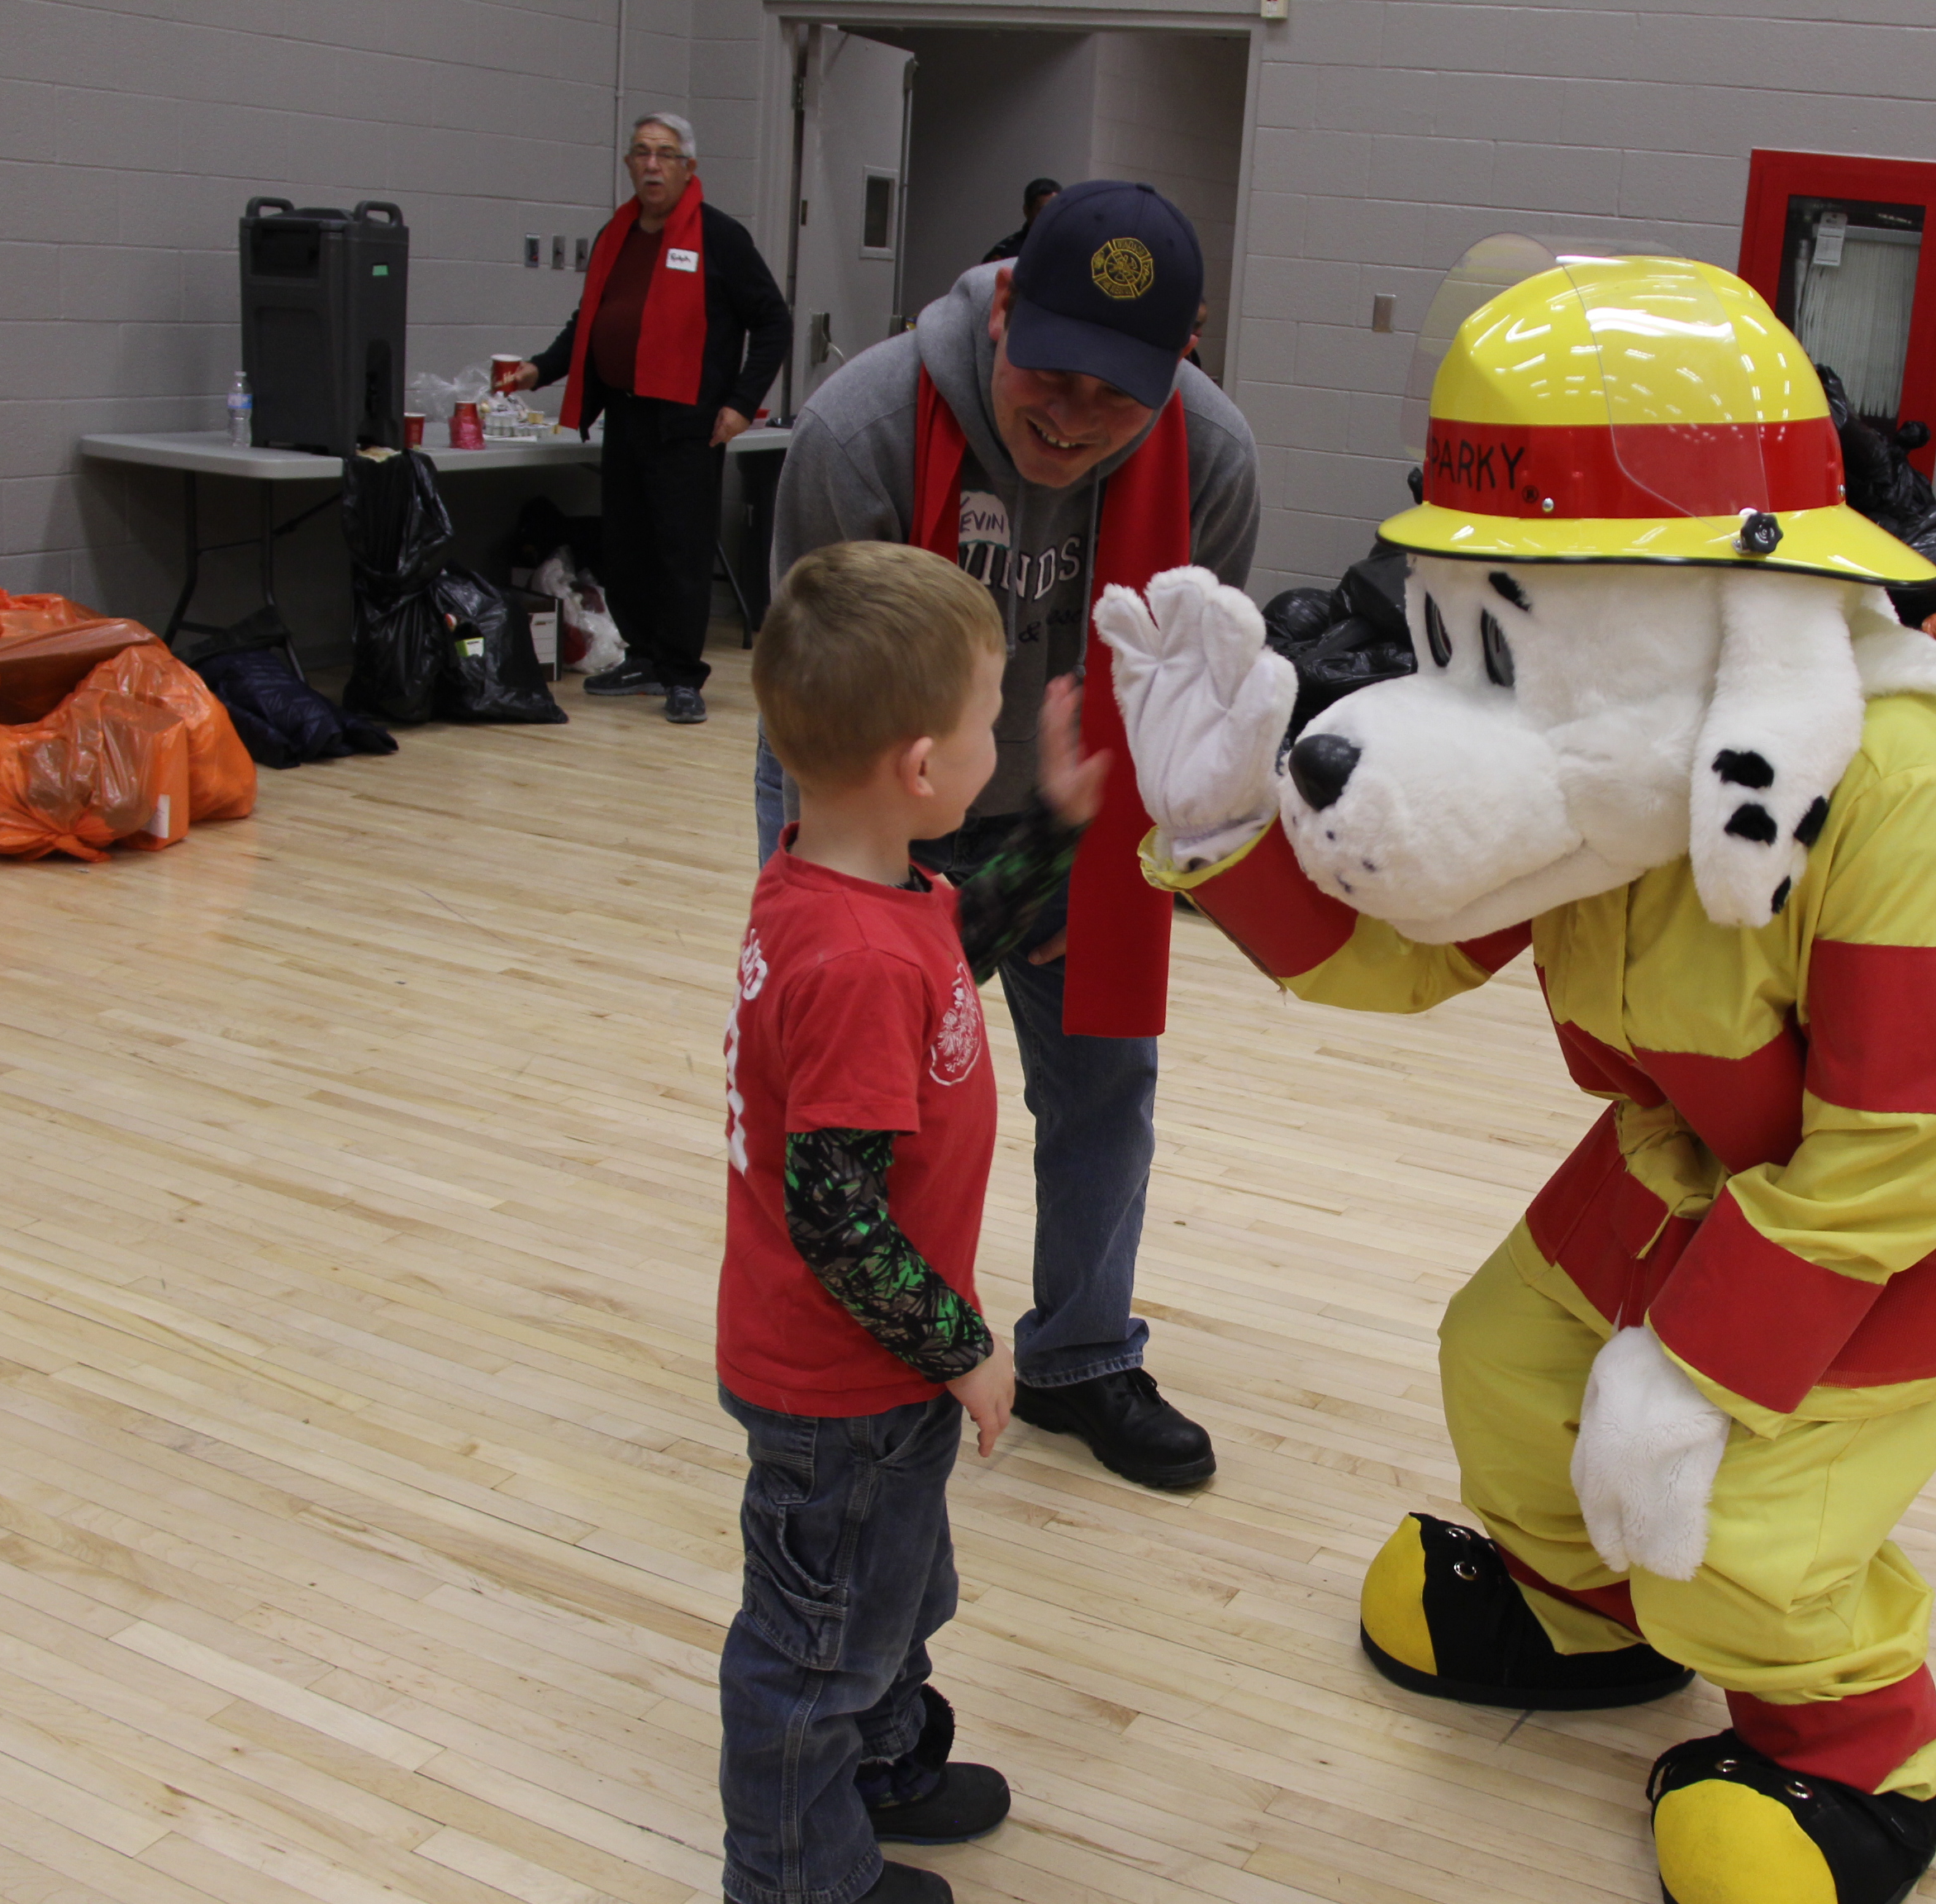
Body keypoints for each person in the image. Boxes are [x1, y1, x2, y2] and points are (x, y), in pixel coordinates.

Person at [761, 179, 1258, 1488]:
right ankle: (843, 1364)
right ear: (1001, 315)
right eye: (1053, 374)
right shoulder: (862, 426)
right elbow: (812, 690)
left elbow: (1193, 692)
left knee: (1105, 1082)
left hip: (1079, 802)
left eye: (1116, 397)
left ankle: (1081, 1356)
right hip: (880, 796)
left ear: (1181, 359)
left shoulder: (1212, 459)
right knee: (868, 1101)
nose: (1072, 419)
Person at [723, 540, 1107, 1904]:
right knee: (813, 1641)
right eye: (988, 725)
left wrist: (1056, 820)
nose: (999, 741)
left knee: (896, 1590)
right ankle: (795, 1874)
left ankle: (884, 1764)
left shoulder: (871, 887)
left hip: (876, 1376)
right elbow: (833, 1214)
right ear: (918, 765)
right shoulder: (851, 959)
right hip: (843, 1380)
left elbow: (963, 942)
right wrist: (964, 1344)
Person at [502, 112, 792, 725]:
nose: (652, 164)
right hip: (627, 413)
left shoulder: (720, 238)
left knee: (680, 549)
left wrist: (741, 404)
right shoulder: (618, 233)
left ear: (688, 168)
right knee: (627, 544)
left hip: (689, 419)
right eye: (641, 152)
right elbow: (589, 322)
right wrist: (539, 370)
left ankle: (683, 673)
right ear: (630, 164)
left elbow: (773, 322)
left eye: (664, 153)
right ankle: (643, 658)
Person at [978, 178, 1058, 264]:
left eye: (1056, 209)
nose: (1051, 215)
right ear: (1027, 211)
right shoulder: (1007, 253)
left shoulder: (1071, 244)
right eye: (1043, 211)